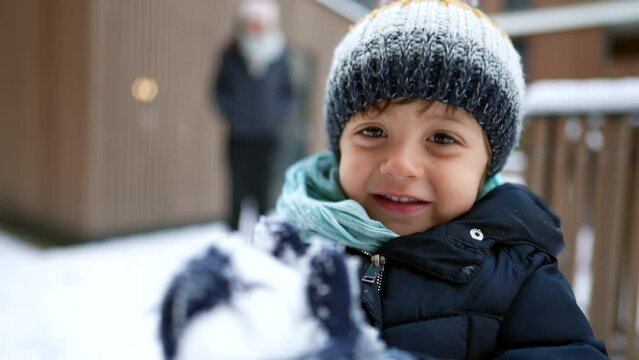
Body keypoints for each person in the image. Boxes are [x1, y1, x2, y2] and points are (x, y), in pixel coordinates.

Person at [163, 0, 609, 358]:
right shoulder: (294, 254)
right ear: (340, 144)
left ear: (486, 165)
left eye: (441, 137)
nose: (400, 165)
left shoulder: (518, 279)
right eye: (373, 131)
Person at [214, 0, 294, 231]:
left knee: (263, 193)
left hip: (267, 137)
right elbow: (219, 91)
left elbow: (289, 95)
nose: (255, 27)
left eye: (260, 22)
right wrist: (234, 114)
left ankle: (261, 241)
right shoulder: (231, 53)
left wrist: (274, 117)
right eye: (251, 22)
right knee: (236, 193)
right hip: (238, 136)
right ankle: (231, 242)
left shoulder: (280, 55)